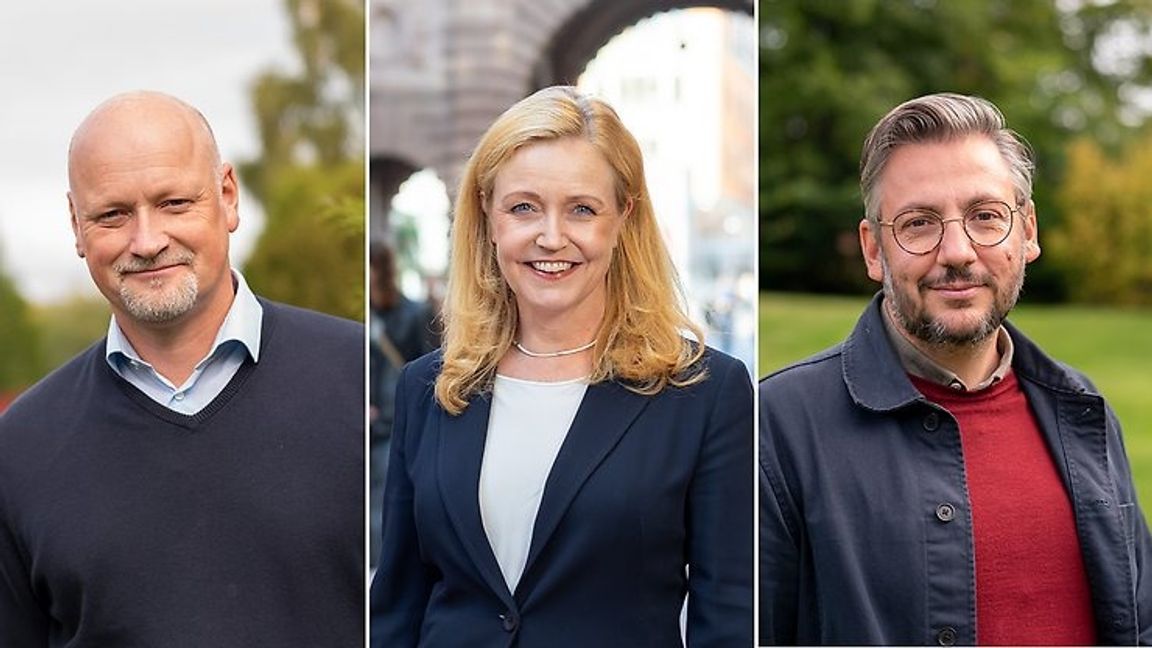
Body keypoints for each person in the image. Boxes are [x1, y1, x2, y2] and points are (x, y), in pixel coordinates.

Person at [759, 92, 1152, 645]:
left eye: (985, 216)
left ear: (1028, 231)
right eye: (919, 224)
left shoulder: (1082, 410)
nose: (958, 251)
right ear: (874, 250)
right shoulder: (777, 427)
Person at [370, 85, 754, 647]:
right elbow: (398, 607)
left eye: (581, 209)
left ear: (623, 217)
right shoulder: (427, 388)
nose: (551, 237)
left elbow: (731, 619)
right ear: (488, 214)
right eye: (524, 206)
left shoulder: (705, 392)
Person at [0, 92, 364, 646]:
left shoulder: (358, 379)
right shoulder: (19, 450)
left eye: (173, 203)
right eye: (113, 215)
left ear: (228, 196)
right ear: (76, 225)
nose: (147, 241)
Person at [368, 240, 438, 567]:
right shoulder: (366, 314)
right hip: (363, 421)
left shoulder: (413, 314)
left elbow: (428, 372)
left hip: (395, 422)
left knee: (385, 504)